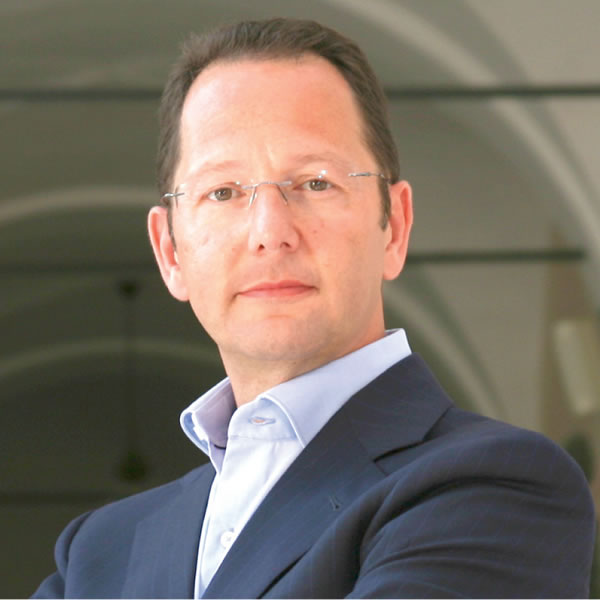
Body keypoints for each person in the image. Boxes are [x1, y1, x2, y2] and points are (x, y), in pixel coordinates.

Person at [33, 17, 595, 599]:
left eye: (316, 182)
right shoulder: (99, 551)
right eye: (222, 191)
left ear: (395, 227)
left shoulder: (494, 488)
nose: (270, 232)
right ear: (170, 251)